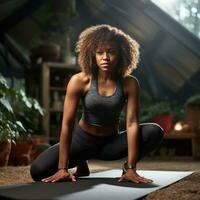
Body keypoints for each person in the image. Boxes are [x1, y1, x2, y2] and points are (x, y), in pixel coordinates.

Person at [30, 24, 164, 184]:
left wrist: (131, 168)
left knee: (154, 131)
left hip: (110, 145)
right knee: (38, 171)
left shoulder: (130, 83)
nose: (105, 57)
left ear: (121, 54)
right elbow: (67, 124)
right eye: (100, 52)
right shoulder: (80, 81)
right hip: (81, 142)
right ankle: (81, 161)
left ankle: (124, 168)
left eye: (111, 52)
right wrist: (62, 168)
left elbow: (132, 123)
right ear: (92, 54)